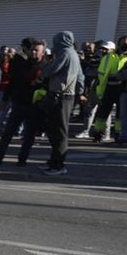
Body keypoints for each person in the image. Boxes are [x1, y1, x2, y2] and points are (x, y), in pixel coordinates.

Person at [0, 38, 46, 166]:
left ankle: (22, 159)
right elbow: (12, 82)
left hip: (34, 106)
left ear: (42, 53)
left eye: (37, 50)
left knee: (29, 135)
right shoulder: (22, 64)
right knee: (7, 133)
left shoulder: (45, 67)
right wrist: (5, 99)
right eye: (32, 50)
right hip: (19, 103)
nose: (34, 53)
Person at [40, 30, 84, 175]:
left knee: (59, 132)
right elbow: (80, 76)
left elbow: (50, 71)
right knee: (55, 130)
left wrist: (45, 63)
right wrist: (80, 92)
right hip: (66, 96)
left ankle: (58, 165)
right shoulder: (73, 54)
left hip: (61, 96)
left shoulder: (65, 53)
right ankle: (53, 161)